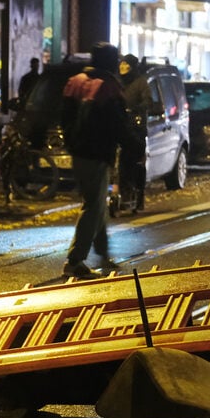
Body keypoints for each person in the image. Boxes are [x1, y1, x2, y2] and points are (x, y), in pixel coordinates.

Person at [59, 42, 138, 279]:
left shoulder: (75, 81)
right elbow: (117, 125)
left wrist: (71, 143)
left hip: (78, 152)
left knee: (96, 201)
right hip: (98, 152)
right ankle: (75, 259)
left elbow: (64, 116)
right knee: (93, 205)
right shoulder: (109, 87)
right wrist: (135, 146)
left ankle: (102, 252)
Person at [119, 54, 152, 213]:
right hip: (120, 126)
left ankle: (139, 194)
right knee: (120, 162)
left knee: (137, 162)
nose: (123, 68)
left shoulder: (141, 83)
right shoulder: (118, 82)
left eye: (126, 65)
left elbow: (147, 101)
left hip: (136, 128)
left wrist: (137, 109)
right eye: (121, 64)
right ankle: (122, 190)